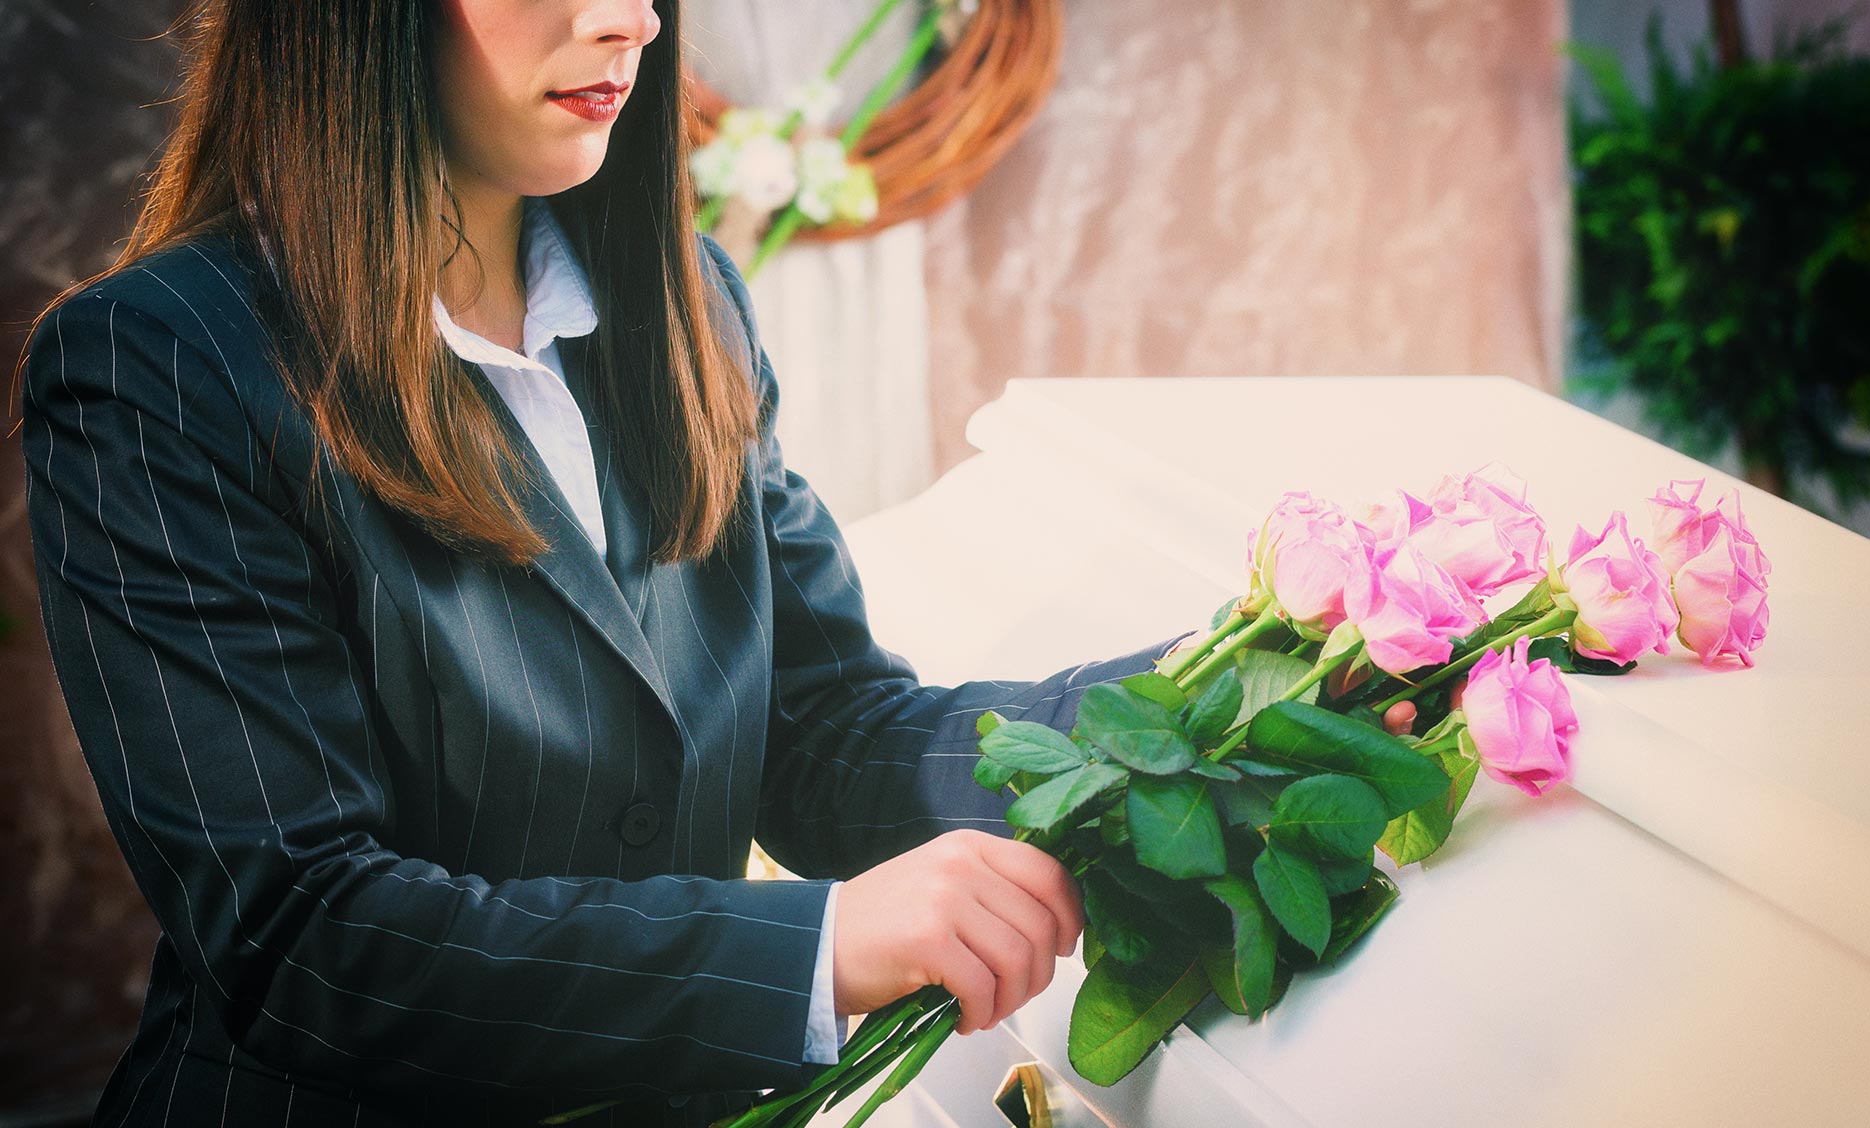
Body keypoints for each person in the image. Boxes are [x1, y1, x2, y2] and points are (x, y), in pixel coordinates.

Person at [13, 2, 1178, 1125]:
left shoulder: (690, 303)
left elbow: (823, 736)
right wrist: (818, 953)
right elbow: (306, 939)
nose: (632, 21)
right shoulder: (159, 361)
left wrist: (1206, 706)